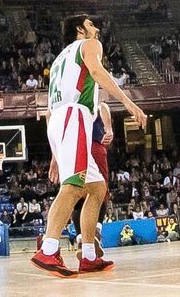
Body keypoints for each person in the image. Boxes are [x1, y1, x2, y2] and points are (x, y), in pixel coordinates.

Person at [31, 15, 147, 278]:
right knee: (72, 186)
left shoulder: (60, 58)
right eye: (90, 25)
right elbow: (97, 72)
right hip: (75, 117)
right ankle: (48, 249)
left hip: (61, 121)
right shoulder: (89, 45)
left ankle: (89, 256)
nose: (95, 28)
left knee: (97, 187)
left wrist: (55, 154)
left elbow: (49, 111)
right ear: (79, 29)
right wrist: (129, 104)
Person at [70, 99, 113, 258]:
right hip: (93, 146)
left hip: (71, 149)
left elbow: (49, 115)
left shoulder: (62, 99)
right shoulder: (88, 93)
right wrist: (108, 129)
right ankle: (96, 231)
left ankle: (81, 239)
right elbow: (103, 106)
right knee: (100, 190)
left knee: (75, 194)